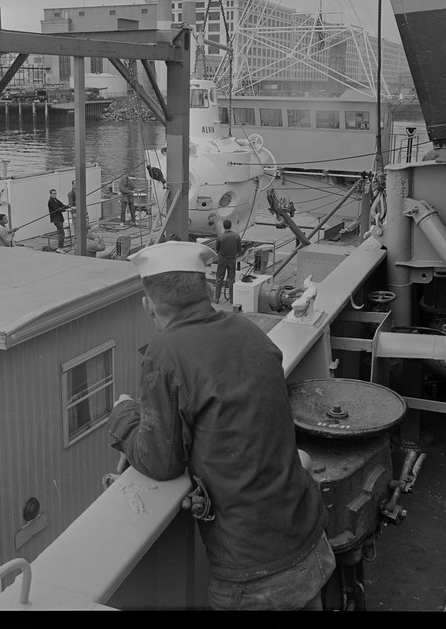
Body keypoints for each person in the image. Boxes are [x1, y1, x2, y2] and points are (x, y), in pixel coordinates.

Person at [107, 241, 334, 611]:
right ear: (208, 290)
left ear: (148, 305)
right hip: (309, 540)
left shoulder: (167, 355)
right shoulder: (249, 331)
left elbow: (161, 461)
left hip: (253, 570)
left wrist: (124, 414)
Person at [213, 219, 243, 304]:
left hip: (222, 259)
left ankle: (217, 299)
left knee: (219, 279)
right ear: (231, 225)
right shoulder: (236, 236)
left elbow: (217, 249)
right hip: (232, 259)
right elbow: (239, 249)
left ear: (223, 226)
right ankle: (232, 299)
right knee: (231, 279)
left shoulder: (220, 237)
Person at [47, 188, 68, 253]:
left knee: (60, 233)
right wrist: (66, 210)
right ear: (50, 194)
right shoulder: (51, 201)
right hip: (56, 219)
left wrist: (69, 207)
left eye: (55, 193)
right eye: (53, 193)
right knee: (61, 233)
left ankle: (60, 248)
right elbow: (57, 209)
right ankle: (60, 248)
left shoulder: (55, 200)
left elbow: (62, 205)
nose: (55, 194)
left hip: (59, 219)